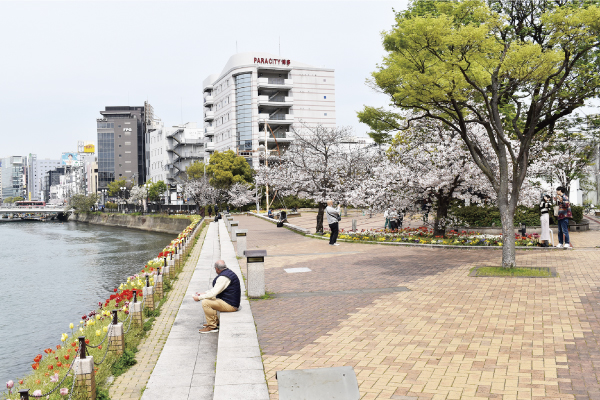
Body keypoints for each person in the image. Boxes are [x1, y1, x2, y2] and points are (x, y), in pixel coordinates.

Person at [193, 260, 240, 333]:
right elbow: (215, 290)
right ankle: (215, 322)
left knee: (205, 302)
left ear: (217, 269)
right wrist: (204, 293)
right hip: (229, 300)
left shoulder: (223, 277)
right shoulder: (228, 273)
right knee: (209, 298)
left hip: (231, 305)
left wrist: (198, 298)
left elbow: (213, 293)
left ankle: (212, 327)